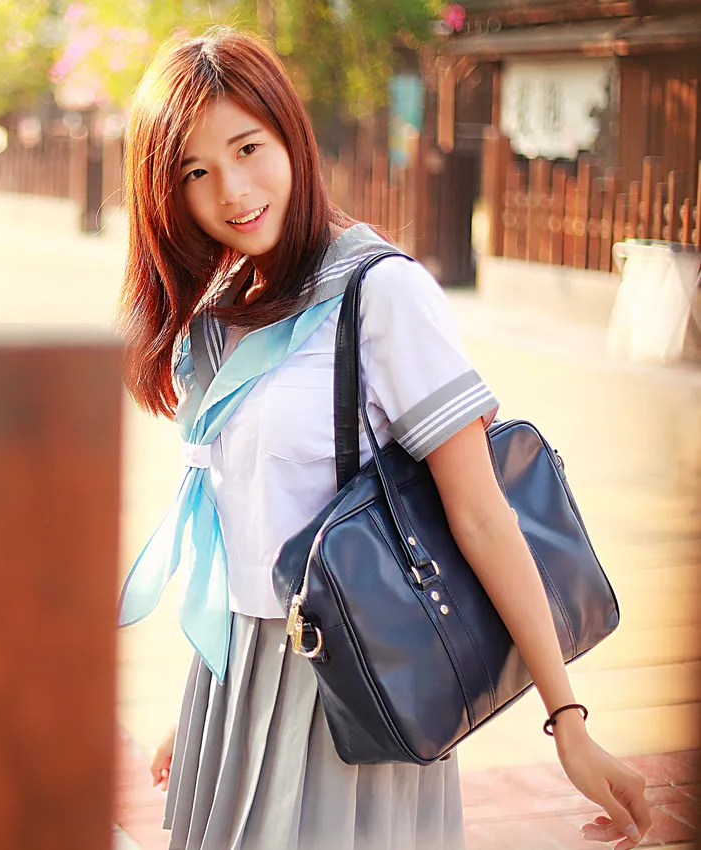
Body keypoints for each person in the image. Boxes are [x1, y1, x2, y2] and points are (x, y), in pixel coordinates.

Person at [117, 28, 652, 850]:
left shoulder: (381, 293)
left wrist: (567, 718)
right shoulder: (225, 313)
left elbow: (480, 515)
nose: (232, 189)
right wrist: (213, 705)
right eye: (194, 171)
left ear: (289, 132)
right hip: (236, 683)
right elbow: (237, 529)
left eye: (248, 148)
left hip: (353, 685)